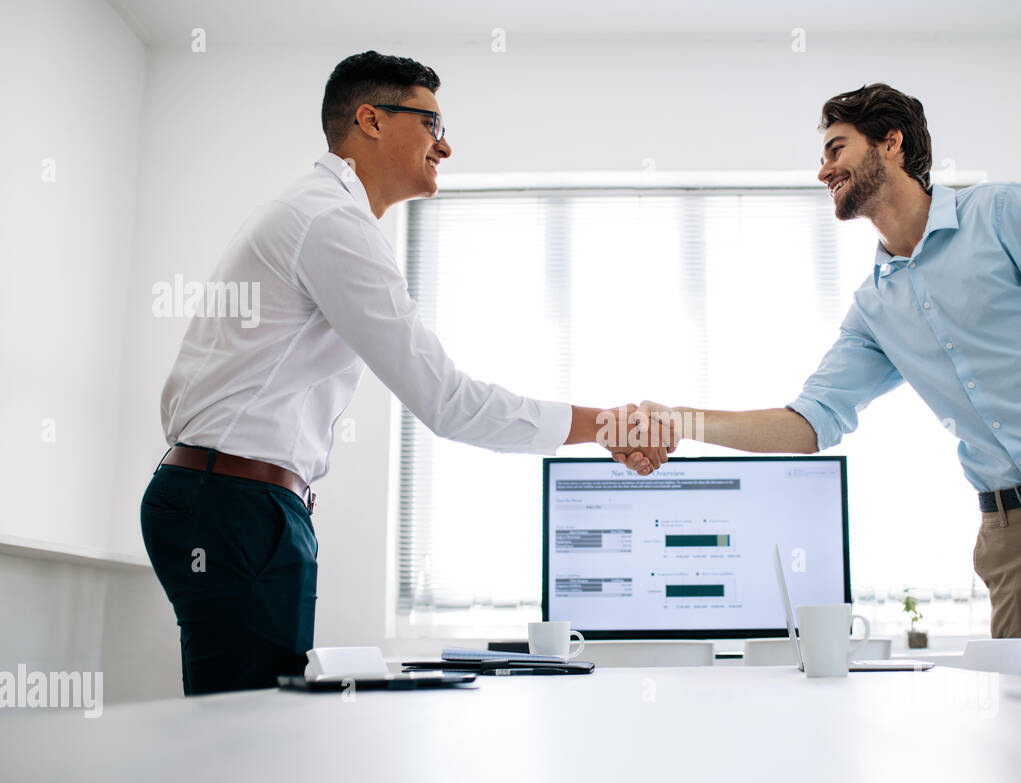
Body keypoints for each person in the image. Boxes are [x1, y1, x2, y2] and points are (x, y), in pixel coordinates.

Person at [620, 83, 1021, 677]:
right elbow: (808, 424)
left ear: (892, 142)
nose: (823, 169)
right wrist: (680, 420)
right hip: (1012, 538)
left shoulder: (1004, 213)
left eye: (836, 149)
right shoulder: (875, 307)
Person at [141, 51, 669, 696]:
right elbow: (449, 402)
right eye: (432, 125)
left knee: (253, 724)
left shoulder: (325, 214)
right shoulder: (331, 221)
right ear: (370, 120)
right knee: (244, 735)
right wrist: (609, 426)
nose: (445, 147)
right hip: (234, 505)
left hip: (237, 500)